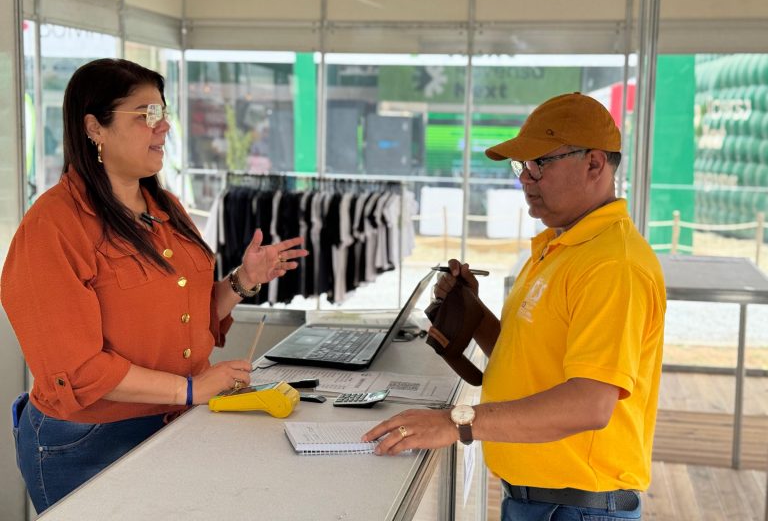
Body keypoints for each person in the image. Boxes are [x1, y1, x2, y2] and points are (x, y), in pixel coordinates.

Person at [1, 58, 308, 514]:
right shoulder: (53, 226)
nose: (163, 126)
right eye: (146, 114)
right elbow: (79, 369)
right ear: (94, 127)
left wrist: (243, 281)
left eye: (163, 113)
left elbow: (185, 315)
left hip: (172, 422)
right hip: (90, 442)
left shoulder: (166, 208)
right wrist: (191, 390)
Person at [364, 92, 666, 521]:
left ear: (595, 164)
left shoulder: (613, 264)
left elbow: (590, 404)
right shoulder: (561, 248)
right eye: (522, 165)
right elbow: (527, 358)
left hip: (578, 508)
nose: (525, 178)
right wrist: (473, 311)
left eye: (540, 163)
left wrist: (456, 422)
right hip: (542, 501)